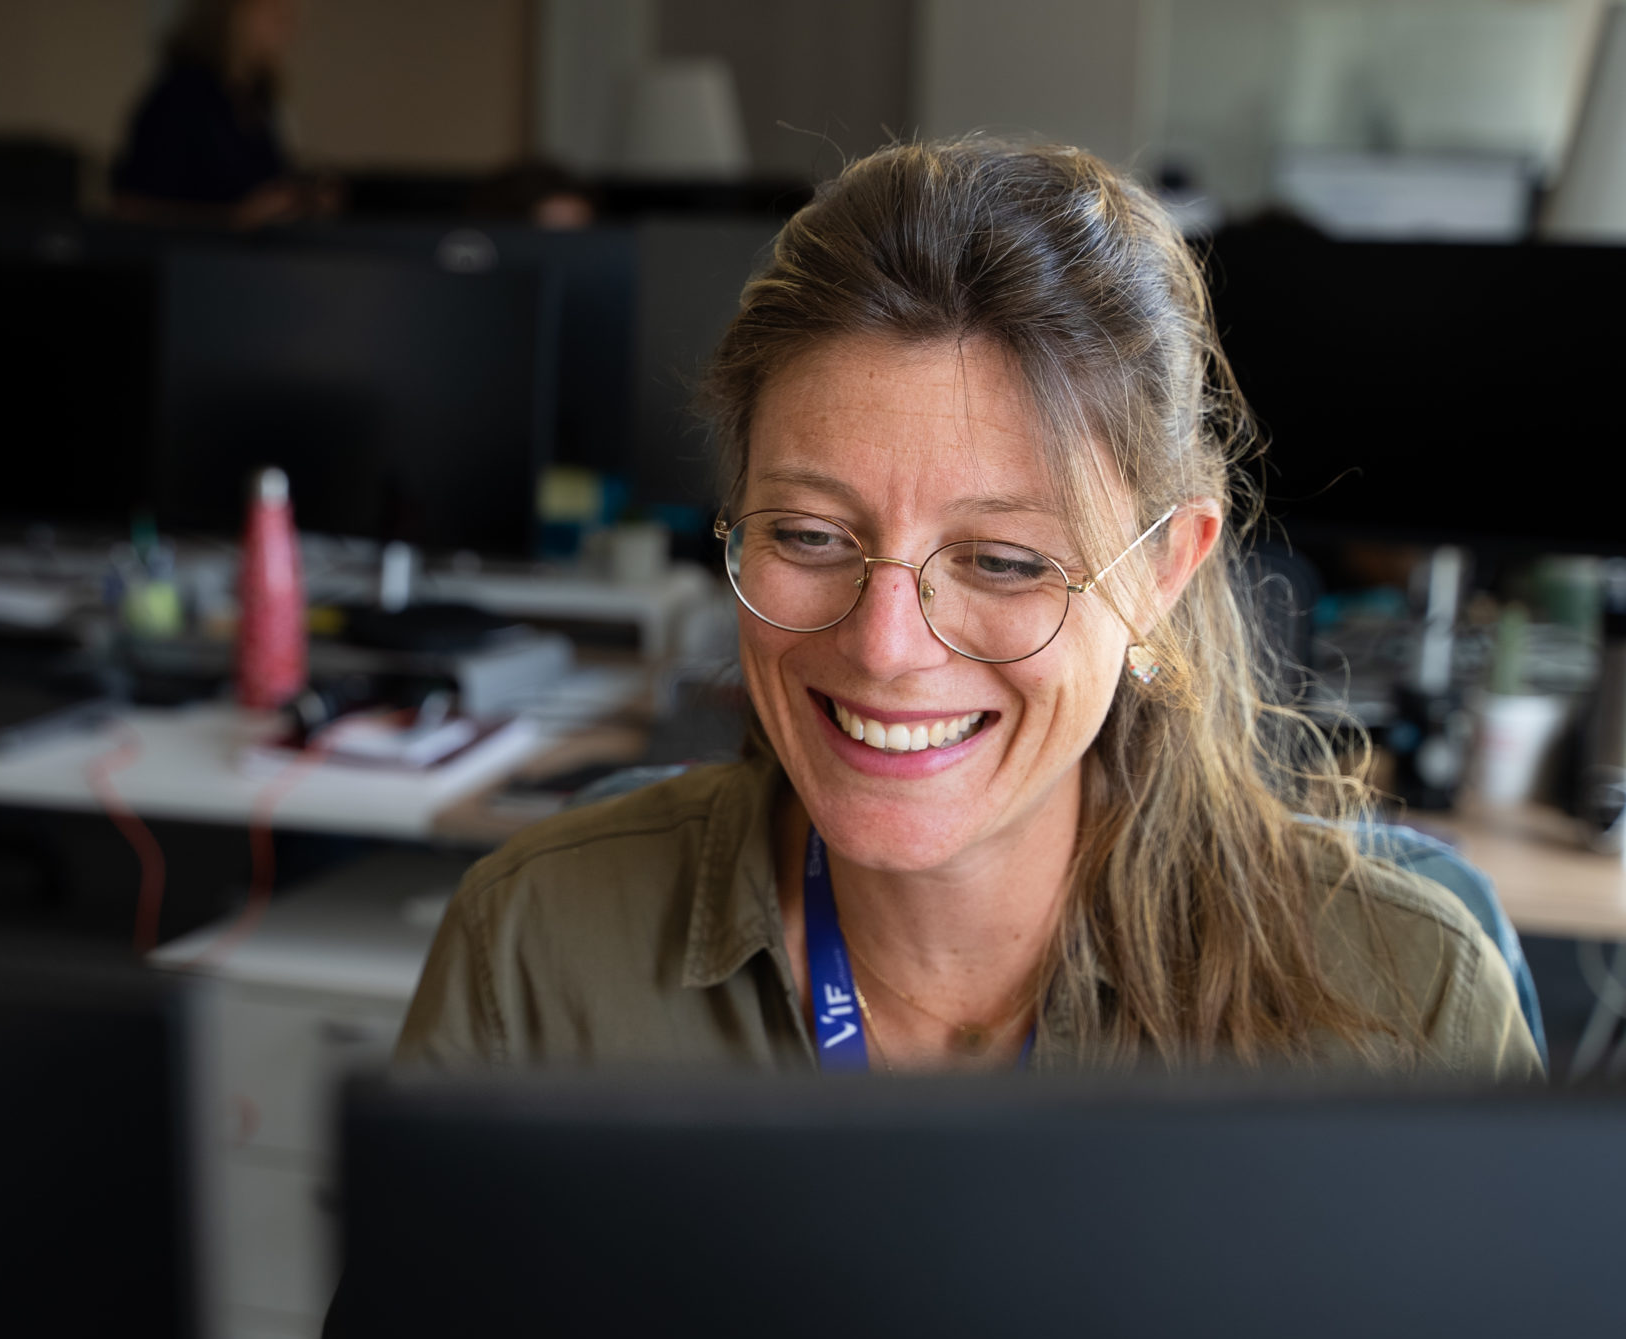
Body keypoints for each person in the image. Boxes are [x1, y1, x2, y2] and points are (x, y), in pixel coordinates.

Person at [396, 138, 1540, 1079]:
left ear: (1160, 575)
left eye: (1000, 560)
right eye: (806, 535)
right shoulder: (536, 947)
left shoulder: (1409, 1006)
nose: (883, 647)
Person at [109, 0, 318, 228]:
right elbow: (131, 207)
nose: (286, 26)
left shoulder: (258, 103)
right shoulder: (182, 97)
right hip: (192, 258)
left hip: (255, 258)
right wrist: (232, 218)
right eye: (274, 12)